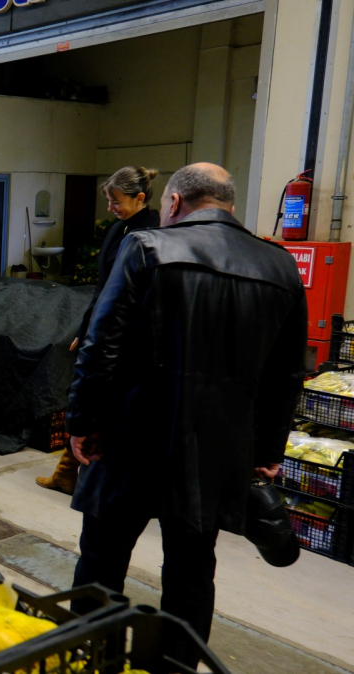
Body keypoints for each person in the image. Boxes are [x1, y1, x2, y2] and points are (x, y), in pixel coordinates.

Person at [66, 163, 306, 662]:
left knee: (102, 563)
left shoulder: (147, 248)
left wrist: (83, 424)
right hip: (217, 453)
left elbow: (100, 346)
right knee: (193, 571)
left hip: (129, 440)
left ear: (173, 203)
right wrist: (265, 450)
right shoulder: (281, 267)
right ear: (230, 205)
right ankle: (175, 666)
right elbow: (286, 374)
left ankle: (90, 658)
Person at [38, 166, 162, 495]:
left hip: (129, 335)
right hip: (104, 325)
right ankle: (67, 471)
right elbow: (102, 286)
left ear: (139, 198)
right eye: (108, 200)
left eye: (115, 201)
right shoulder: (118, 229)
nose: (110, 208)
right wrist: (86, 326)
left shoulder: (153, 233)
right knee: (89, 398)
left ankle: (97, 476)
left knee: (110, 406)